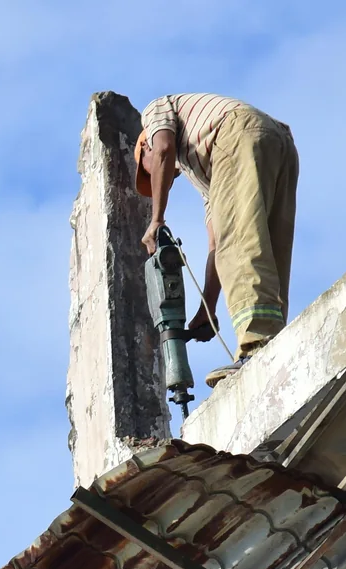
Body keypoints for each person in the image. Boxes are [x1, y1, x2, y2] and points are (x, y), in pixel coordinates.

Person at [135, 94, 299, 384]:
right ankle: (275, 344)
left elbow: (163, 149)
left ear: (144, 145)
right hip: (278, 143)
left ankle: (256, 344)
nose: (164, 176)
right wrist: (207, 308)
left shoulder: (155, 112)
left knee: (242, 243)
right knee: (268, 249)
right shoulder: (204, 173)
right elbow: (217, 245)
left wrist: (157, 219)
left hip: (236, 132)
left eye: (148, 171)